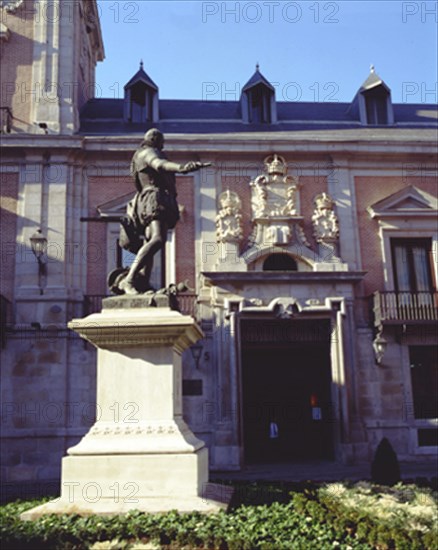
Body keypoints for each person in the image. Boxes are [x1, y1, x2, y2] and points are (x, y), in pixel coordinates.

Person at [116, 128, 208, 295]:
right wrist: (182, 168)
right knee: (158, 239)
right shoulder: (148, 153)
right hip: (153, 197)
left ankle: (143, 281)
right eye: (161, 141)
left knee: (150, 242)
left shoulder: (143, 153)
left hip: (154, 198)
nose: (162, 145)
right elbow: (160, 165)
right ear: (155, 140)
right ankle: (129, 279)